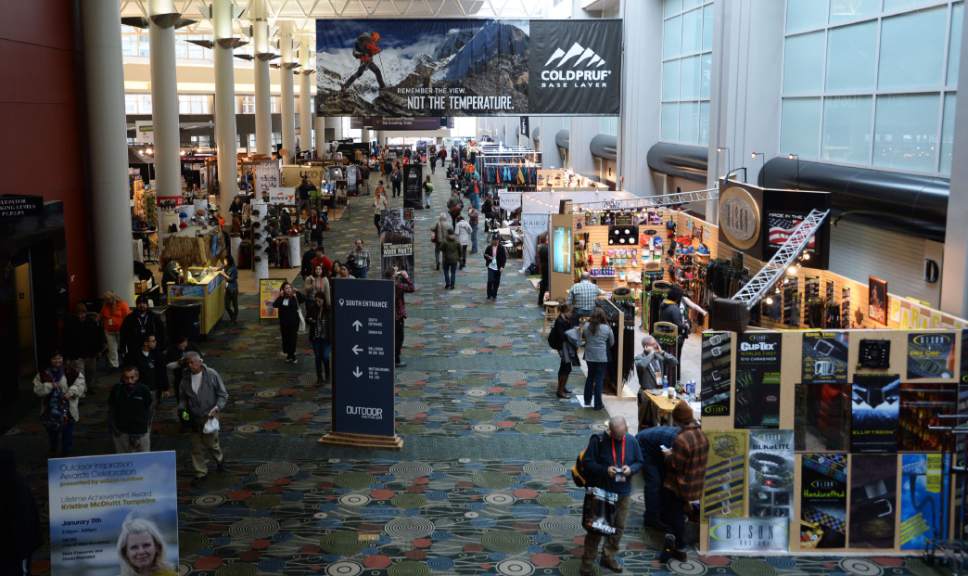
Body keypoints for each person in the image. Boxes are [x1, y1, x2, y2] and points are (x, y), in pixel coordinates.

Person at [579, 416, 644, 575]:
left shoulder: (631, 440)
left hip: (623, 492)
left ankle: (608, 556)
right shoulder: (598, 441)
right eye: (616, 436)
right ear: (610, 431)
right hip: (602, 492)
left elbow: (639, 461)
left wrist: (632, 469)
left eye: (622, 435)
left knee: (618, 527)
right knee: (596, 529)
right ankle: (587, 561)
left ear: (626, 429)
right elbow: (587, 463)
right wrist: (605, 470)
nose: (620, 439)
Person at [660, 403, 709, 563]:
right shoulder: (702, 434)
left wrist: (668, 455)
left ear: (679, 420)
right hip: (696, 483)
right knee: (679, 513)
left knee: (674, 516)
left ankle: (679, 547)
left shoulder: (681, 440)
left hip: (680, 486)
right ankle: (676, 541)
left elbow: (675, 465)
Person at [177, 352, 228, 485]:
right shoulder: (185, 378)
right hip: (194, 418)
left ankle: (219, 459)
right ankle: (200, 473)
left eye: (191, 363)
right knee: (196, 447)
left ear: (199, 361)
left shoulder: (211, 374)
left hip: (209, 417)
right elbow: (183, 398)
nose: (189, 366)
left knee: (211, 444)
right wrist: (182, 410)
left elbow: (223, 394)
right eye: (187, 363)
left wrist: (217, 407)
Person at [33, 351, 85, 457]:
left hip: (68, 411)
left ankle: (66, 453)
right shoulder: (43, 374)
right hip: (50, 411)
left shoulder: (70, 372)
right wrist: (49, 385)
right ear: (49, 360)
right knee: (52, 434)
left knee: (67, 433)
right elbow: (37, 390)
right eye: (54, 358)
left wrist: (70, 392)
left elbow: (80, 385)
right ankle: (53, 449)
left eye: (60, 358)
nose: (57, 360)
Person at [636, 425, 680, 530]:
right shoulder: (680, 443)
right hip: (643, 446)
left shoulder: (684, 438)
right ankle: (651, 518)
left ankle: (662, 512)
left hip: (654, 445)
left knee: (663, 478)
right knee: (654, 483)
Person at [62, 303, 105, 395]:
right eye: (79, 314)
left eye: (83, 313)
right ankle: (81, 391)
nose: (81, 315)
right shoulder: (70, 324)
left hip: (90, 352)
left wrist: (99, 350)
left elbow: (98, 337)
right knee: (80, 374)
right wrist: (67, 356)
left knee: (91, 372)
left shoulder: (91, 322)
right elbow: (66, 340)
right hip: (77, 354)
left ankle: (89, 387)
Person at [108, 365, 153, 453]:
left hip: (141, 431)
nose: (129, 381)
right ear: (122, 378)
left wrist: (147, 426)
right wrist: (113, 427)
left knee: (144, 458)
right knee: (123, 458)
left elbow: (150, 408)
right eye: (126, 378)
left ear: (137, 377)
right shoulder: (117, 390)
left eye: (132, 377)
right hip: (121, 431)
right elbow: (111, 408)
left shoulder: (144, 390)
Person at [124, 334, 170, 409]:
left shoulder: (158, 355)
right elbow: (129, 372)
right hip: (138, 389)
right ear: (146, 343)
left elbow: (162, 372)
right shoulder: (135, 356)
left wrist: (165, 388)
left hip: (153, 389)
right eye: (153, 341)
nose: (155, 342)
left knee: (150, 411)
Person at [581, 308, 614, 410]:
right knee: (599, 379)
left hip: (589, 356)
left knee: (590, 376)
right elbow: (612, 343)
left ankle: (587, 400)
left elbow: (584, 337)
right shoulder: (607, 328)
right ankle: (598, 404)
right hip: (601, 357)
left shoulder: (586, 326)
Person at [120, 295, 163, 361]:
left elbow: (161, 331)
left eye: (144, 303)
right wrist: (122, 347)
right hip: (134, 347)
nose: (142, 305)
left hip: (151, 346)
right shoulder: (130, 318)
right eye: (139, 303)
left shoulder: (154, 317)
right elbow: (123, 333)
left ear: (147, 305)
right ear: (137, 305)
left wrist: (161, 345)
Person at [551, 304, 578, 398]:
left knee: (565, 367)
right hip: (563, 348)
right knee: (566, 368)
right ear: (564, 312)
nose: (571, 314)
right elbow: (562, 336)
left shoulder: (565, 319)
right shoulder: (560, 321)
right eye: (570, 312)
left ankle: (562, 387)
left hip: (565, 347)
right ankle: (560, 391)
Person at [272, 282, 304, 363]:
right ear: (283, 290)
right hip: (284, 323)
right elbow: (275, 305)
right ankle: (289, 355)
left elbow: (304, 299)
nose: (288, 289)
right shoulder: (282, 298)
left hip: (294, 323)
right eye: (286, 288)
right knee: (286, 339)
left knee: (293, 339)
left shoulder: (294, 297)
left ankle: (292, 355)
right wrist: (280, 296)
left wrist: (298, 292)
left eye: (289, 287)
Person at [100, 291, 131, 369]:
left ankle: (127, 364)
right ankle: (114, 366)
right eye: (105, 299)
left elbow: (128, 318)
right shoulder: (105, 306)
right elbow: (102, 316)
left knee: (124, 348)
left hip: (121, 331)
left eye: (108, 299)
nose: (107, 301)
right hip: (109, 331)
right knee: (112, 350)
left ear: (113, 297)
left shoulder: (123, 304)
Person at [306, 290, 330, 386]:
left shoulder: (328, 310)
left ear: (323, 300)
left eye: (319, 301)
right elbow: (307, 318)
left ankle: (328, 375)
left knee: (325, 356)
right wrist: (310, 320)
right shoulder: (312, 308)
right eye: (316, 301)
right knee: (317, 357)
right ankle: (319, 377)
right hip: (316, 337)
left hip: (326, 338)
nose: (318, 303)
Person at [393, 267, 415, 368]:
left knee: (392, 338)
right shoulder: (398, 286)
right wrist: (406, 277)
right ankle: (396, 359)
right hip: (397, 316)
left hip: (388, 315)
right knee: (399, 338)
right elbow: (411, 288)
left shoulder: (385, 284)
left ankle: (392, 357)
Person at [483, 235, 507, 301]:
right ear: (492, 240)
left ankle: (494, 294)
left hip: (498, 267)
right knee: (490, 280)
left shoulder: (501, 248)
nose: (496, 242)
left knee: (496, 281)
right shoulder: (489, 247)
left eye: (497, 240)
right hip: (491, 266)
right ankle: (489, 294)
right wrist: (488, 257)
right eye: (494, 240)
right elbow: (485, 255)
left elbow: (504, 258)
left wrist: (502, 266)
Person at [221, 255, 239, 322]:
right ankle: (232, 316)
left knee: (235, 305)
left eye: (225, 260)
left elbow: (231, 279)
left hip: (233, 289)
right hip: (228, 289)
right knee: (227, 306)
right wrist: (211, 268)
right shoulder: (225, 266)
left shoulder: (234, 269)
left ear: (229, 261)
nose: (224, 261)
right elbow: (219, 268)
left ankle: (234, 318)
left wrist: (223, 274)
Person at [537, 234, 550, 306]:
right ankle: (547, 301)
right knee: (547, 284)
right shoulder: (548, 248)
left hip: (543, 267)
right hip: (548, 268)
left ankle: (540, 300)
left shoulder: (541, 247)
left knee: (543, 283)